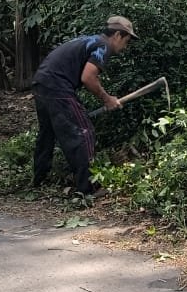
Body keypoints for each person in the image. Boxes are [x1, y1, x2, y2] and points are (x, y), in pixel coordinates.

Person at [30, 16, 136, 197]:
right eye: (126, 41)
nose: (125, 47)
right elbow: (88, 77)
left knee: (47, 133)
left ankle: (39, 179)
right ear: (118, 35)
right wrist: (107, 99)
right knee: (83, 132)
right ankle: (88, 188)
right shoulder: (103, 46)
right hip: (57, 86)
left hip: (42, 82)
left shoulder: (90, 40)